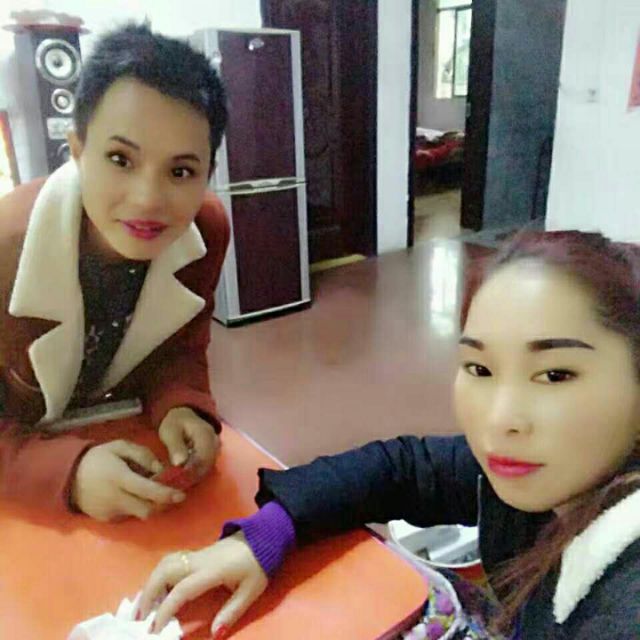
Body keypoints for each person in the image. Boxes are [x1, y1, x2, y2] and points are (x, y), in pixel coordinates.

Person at [139, 231, 640, 639]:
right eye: (480, 368)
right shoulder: (548, 474)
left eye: (554, 375)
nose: (500, 418)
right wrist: (267, 532)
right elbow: (403, 468)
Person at [0, 23, 230, 522]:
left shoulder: (204, 231)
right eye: (120, 159)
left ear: (208, 174)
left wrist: (182, 404)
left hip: (123, 454)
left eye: (181, 171)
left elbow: (180, 347)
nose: (147, 200)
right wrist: (66, 473)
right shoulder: (5, 246)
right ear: (77, 150)